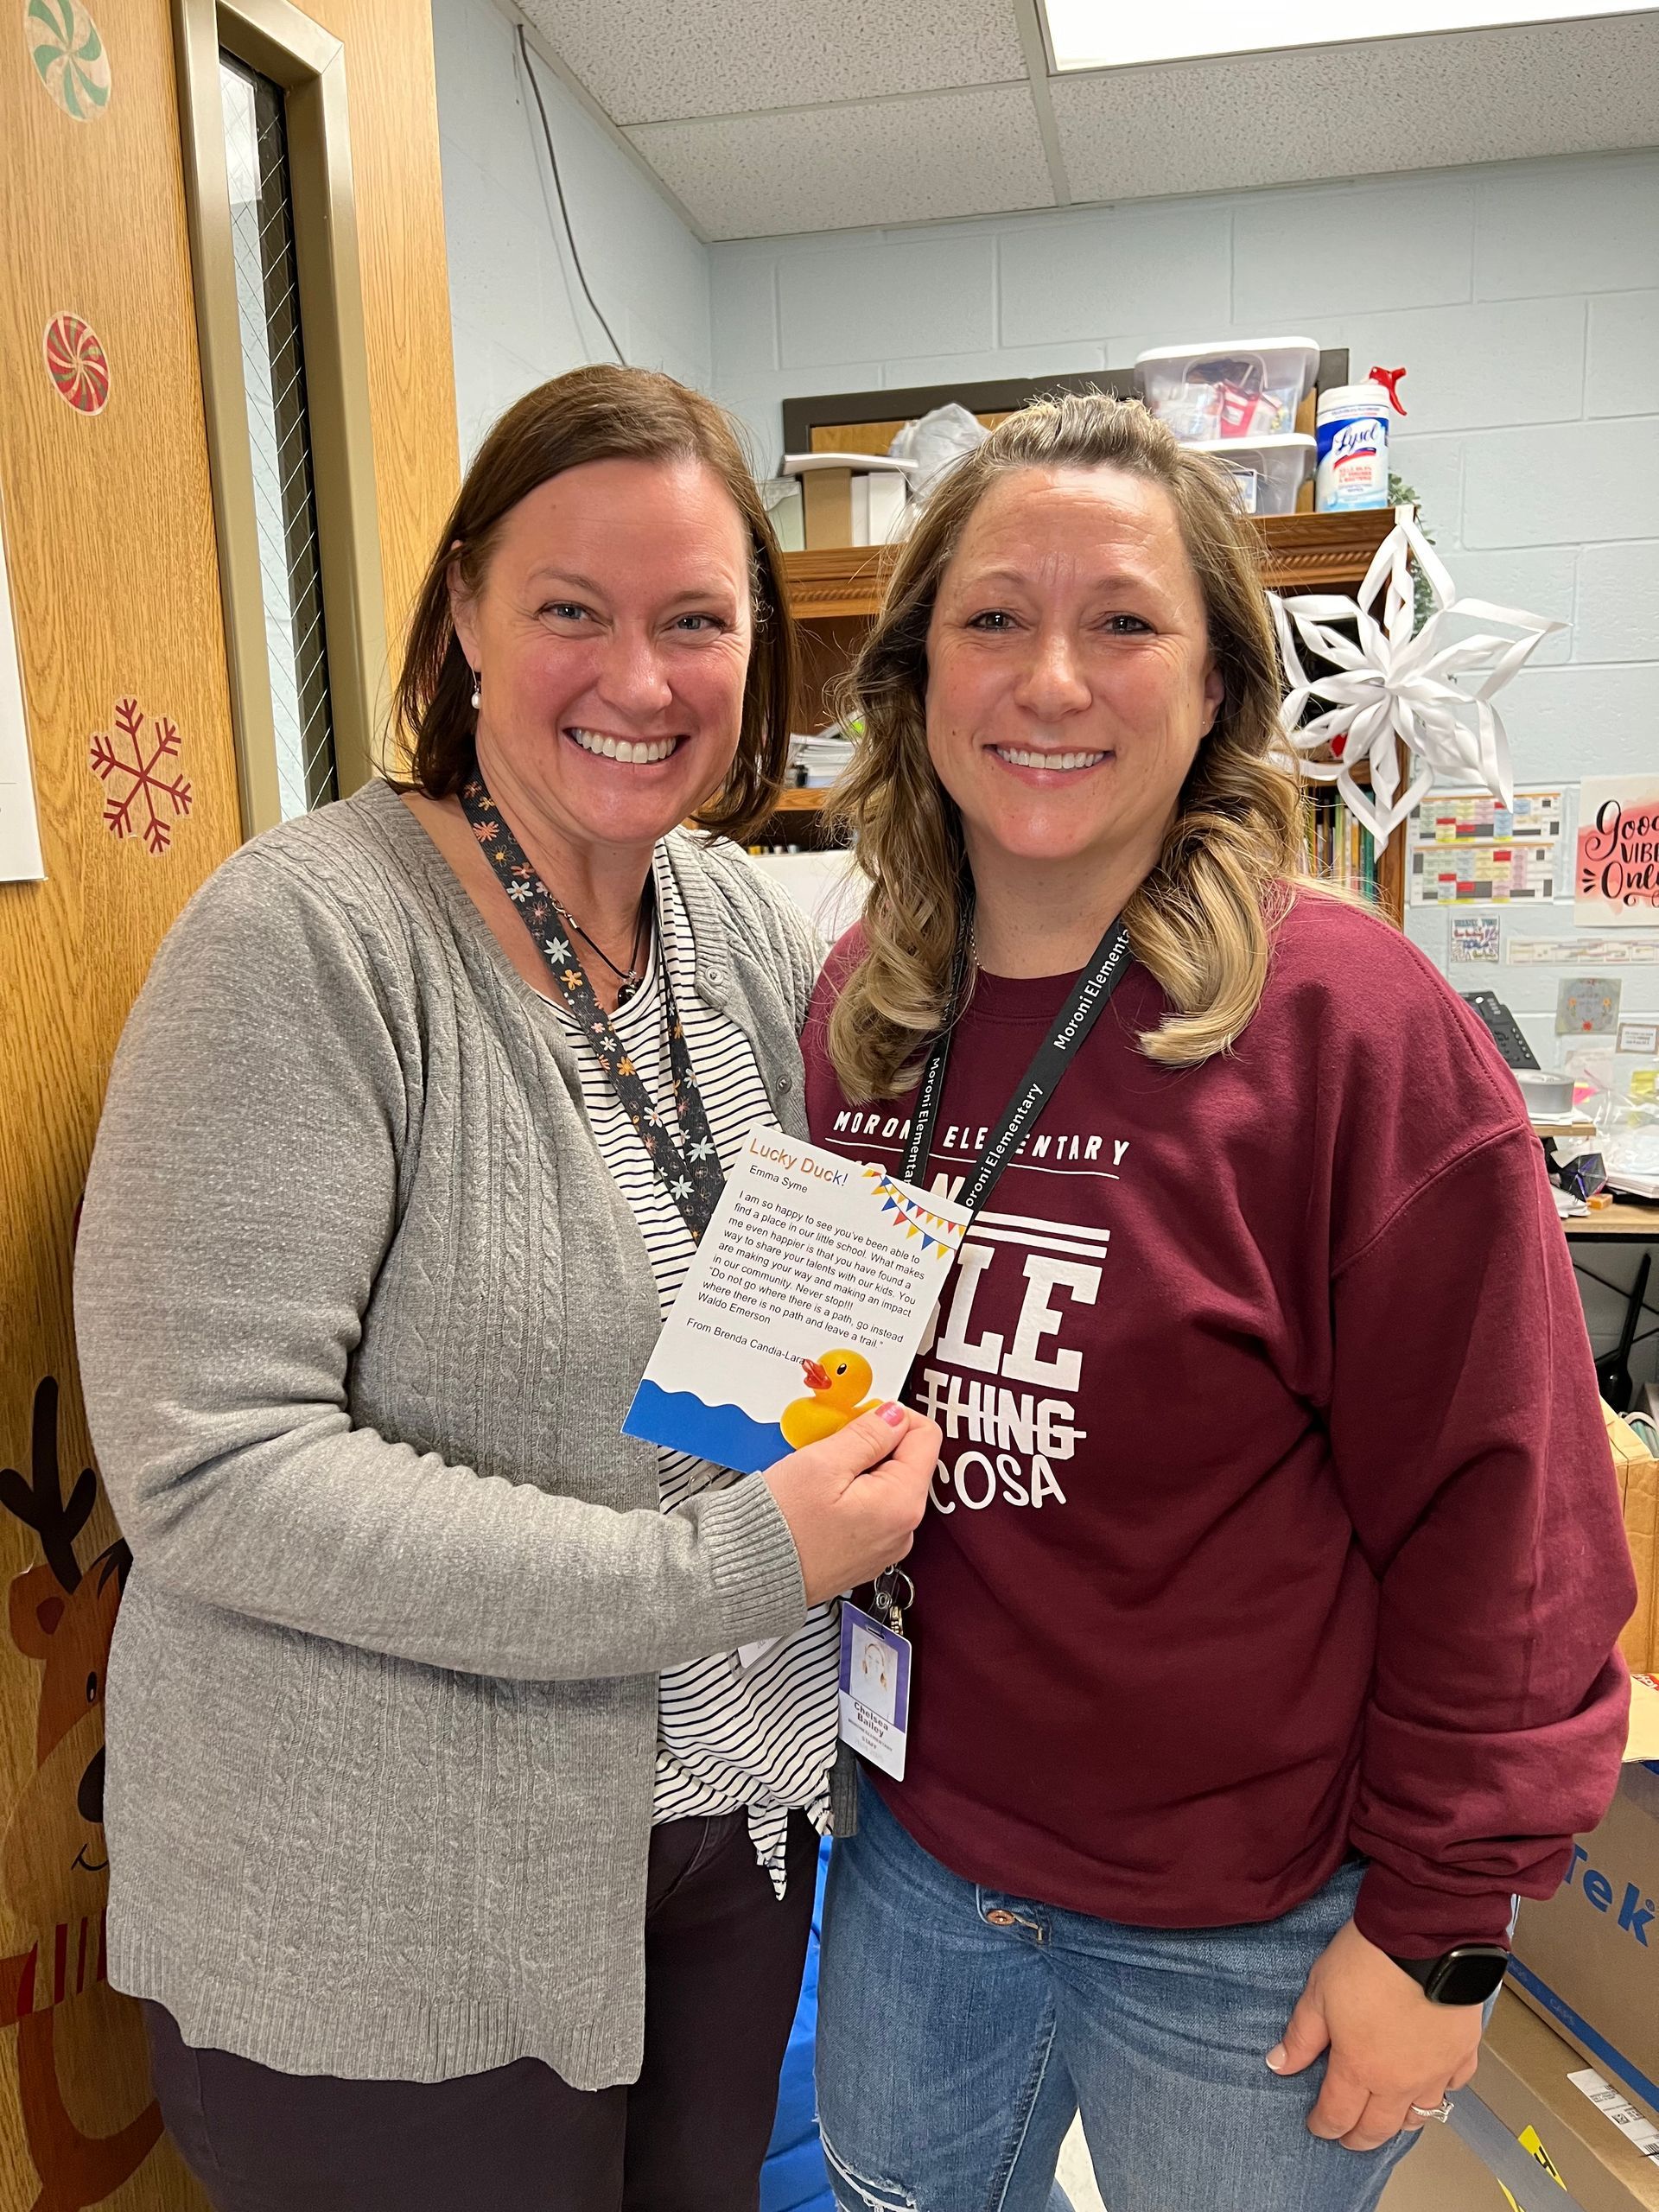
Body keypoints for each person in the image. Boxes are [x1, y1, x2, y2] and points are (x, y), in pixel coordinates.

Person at [73, 365, 938, 2212]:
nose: (639, 678)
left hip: (728, 1843)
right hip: (397, 1921)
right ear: (463, 608)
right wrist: (722, 1565)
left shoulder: (727, 926)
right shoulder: (304, 940)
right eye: (571, 608)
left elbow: (756, 1334)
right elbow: (212, 1469)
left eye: (695, 619)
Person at [801, 392, 1634, 2212]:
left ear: (1214, 691)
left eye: (1122, 621)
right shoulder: (865, 1004)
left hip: (1253, 1923)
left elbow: (1512, 1527)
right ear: (916, 673)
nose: (1051, 680)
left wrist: (1442, 1936)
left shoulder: (1354, 1032)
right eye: (995, 618)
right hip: (918, 1865)